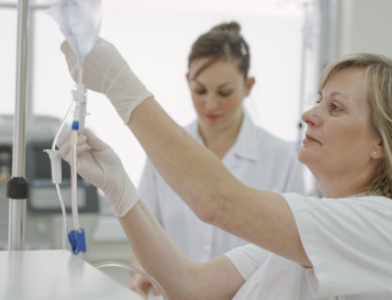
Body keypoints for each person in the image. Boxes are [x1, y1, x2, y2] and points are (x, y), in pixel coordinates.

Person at [57, 36, 392, 298]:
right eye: (318, 100)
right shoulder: (308, 232)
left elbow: (217, 202)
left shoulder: (390, 228)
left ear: (382, 143)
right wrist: (118, 186)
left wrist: (119, 83)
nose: (308, 115)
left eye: (335, 107)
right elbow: (189, 285)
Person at [128, 21, 306, 298]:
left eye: (224, 93)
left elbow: (297, 251)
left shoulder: (282, 159)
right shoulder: (163, 151)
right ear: (188, 81)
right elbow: (146, 233)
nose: (211, 104)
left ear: (248, 86)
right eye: (200, 91)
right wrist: (141, 271)